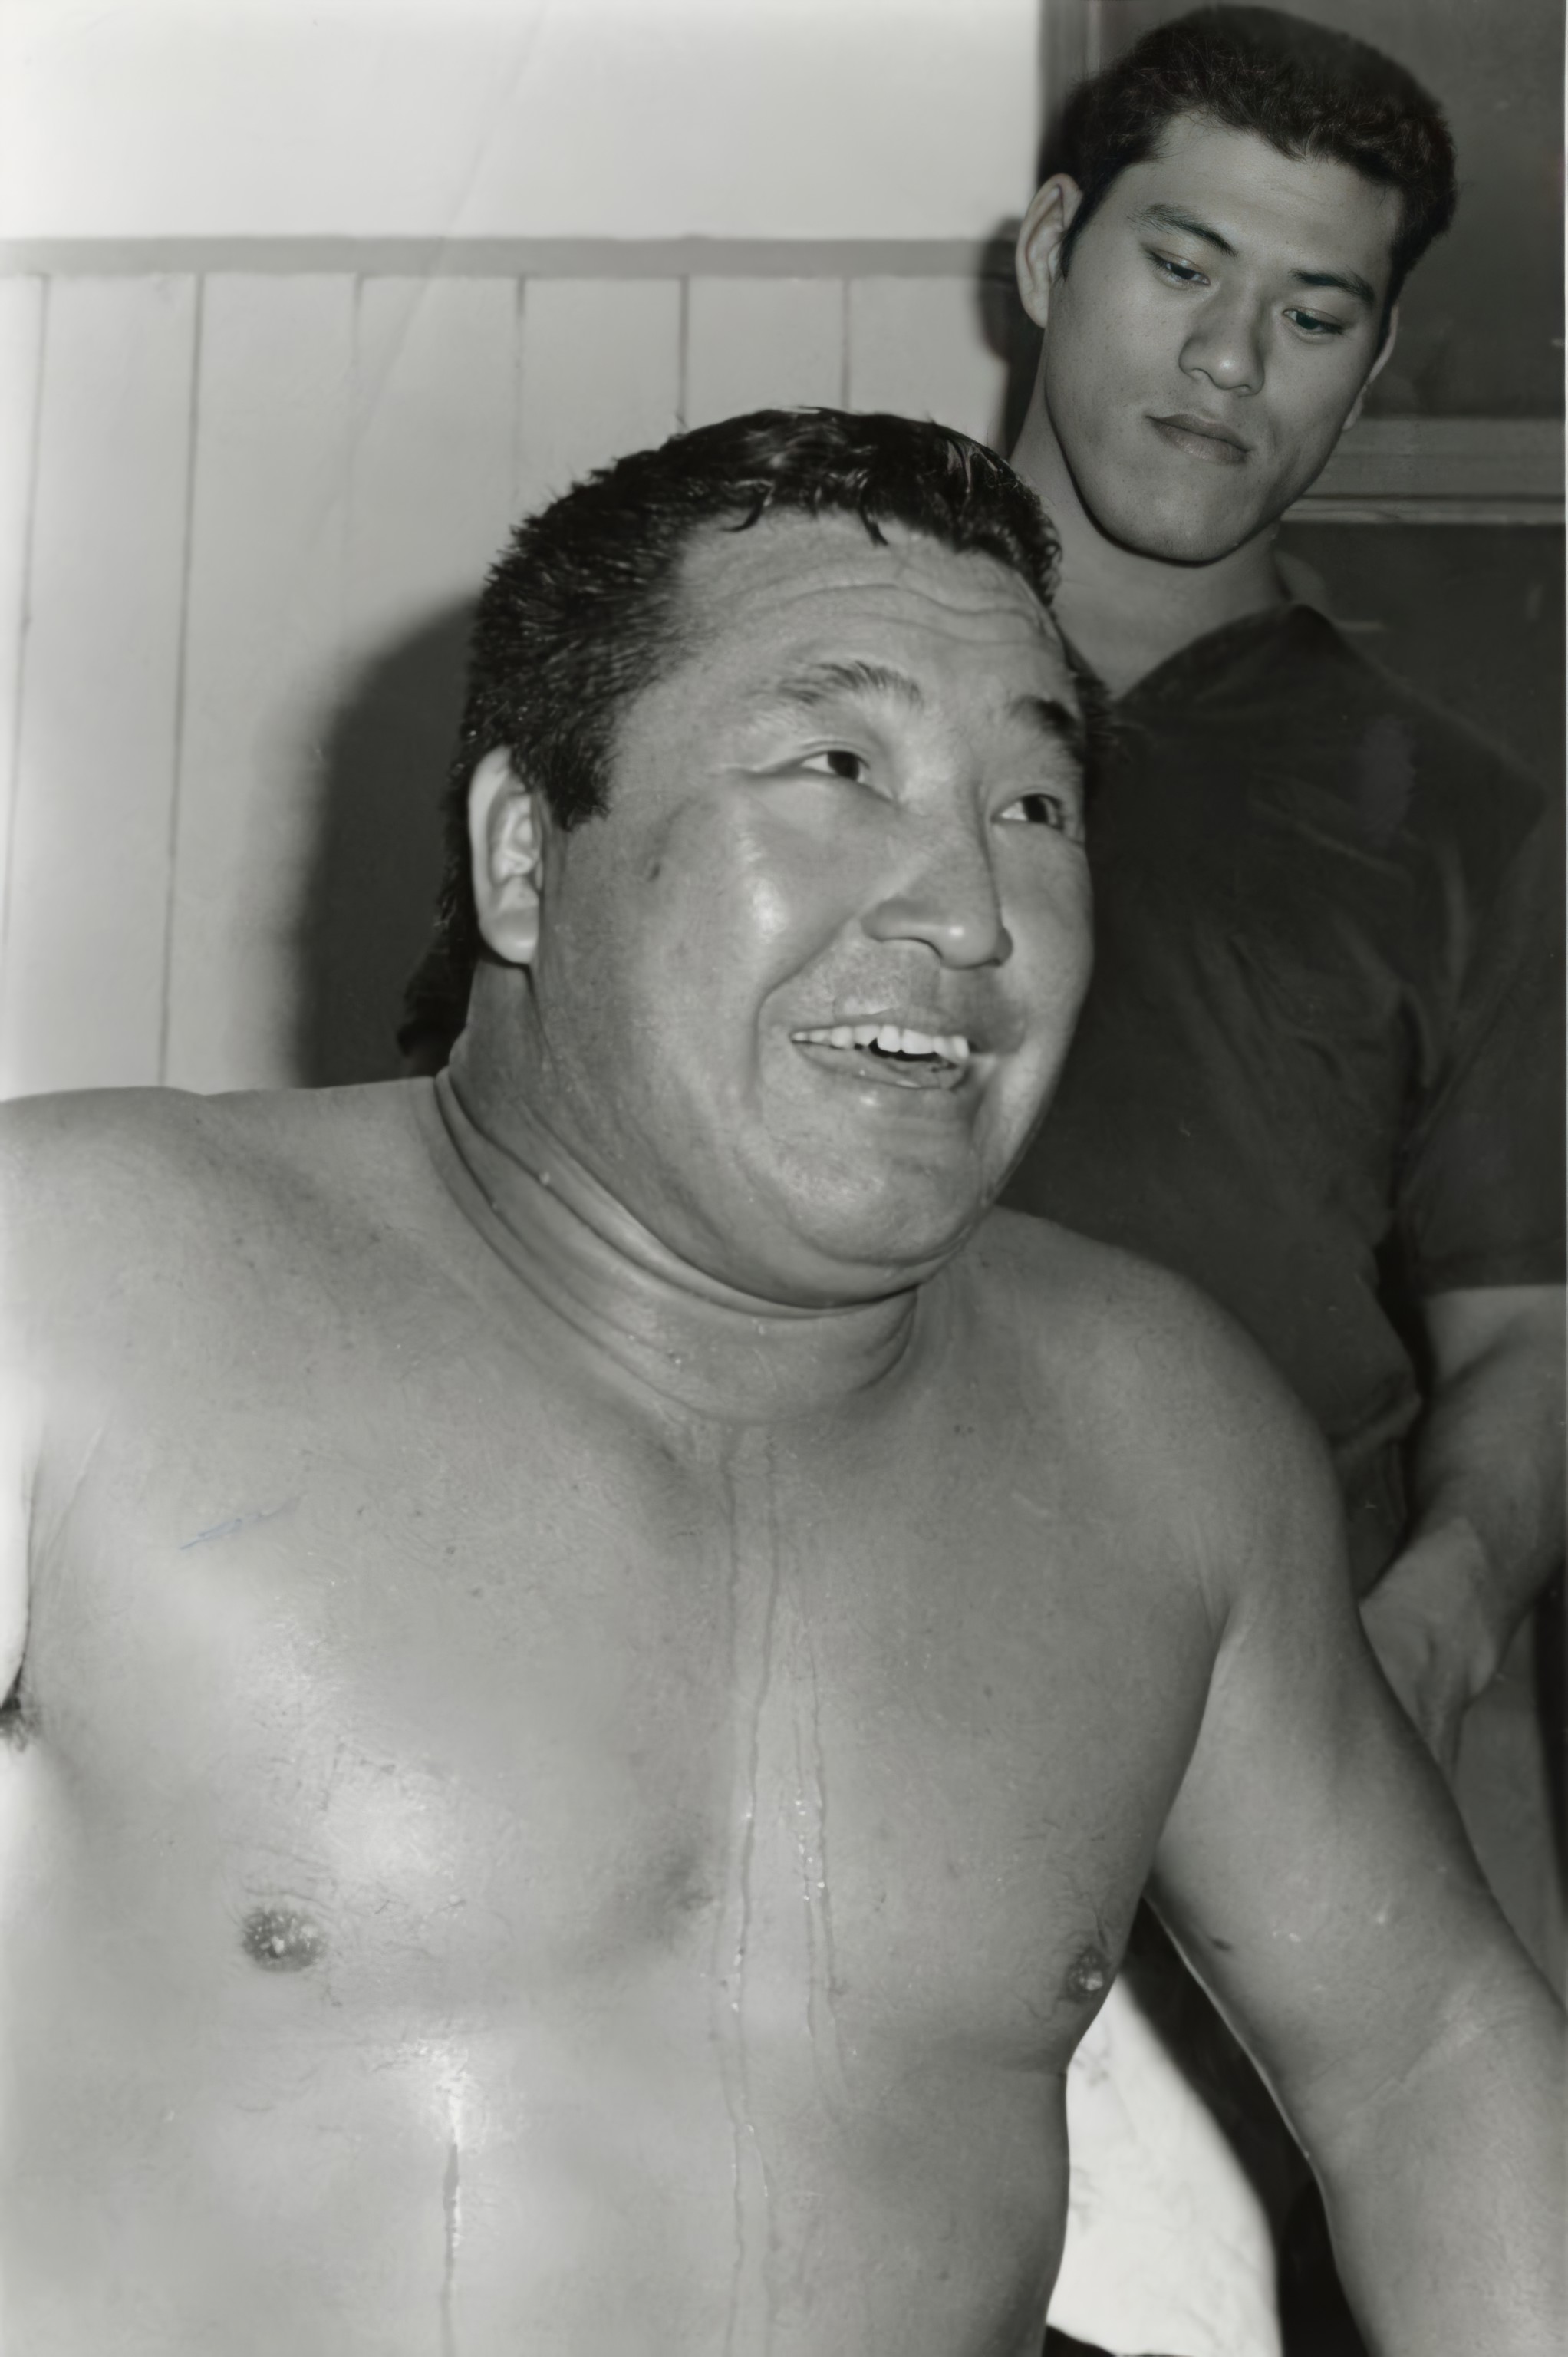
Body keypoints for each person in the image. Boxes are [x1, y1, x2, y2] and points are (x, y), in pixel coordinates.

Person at [0, 407, 1559, 2354]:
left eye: (1034, 806)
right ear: (522, 855)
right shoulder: (72, 1282)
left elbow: (1430, 2052)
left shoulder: (1157, 1433)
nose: (969, 912)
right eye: (838, 766)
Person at [995, 8, 1565, 2344]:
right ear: (1048, 250)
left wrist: (1444, 1600)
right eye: (1179, 266)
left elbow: (1523, 1333)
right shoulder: (774, 673)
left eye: (1310, 312)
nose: (1227, 363)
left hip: (1238, 1769)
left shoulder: (1461, 824)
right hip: (776, 1680)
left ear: (1370, 362)